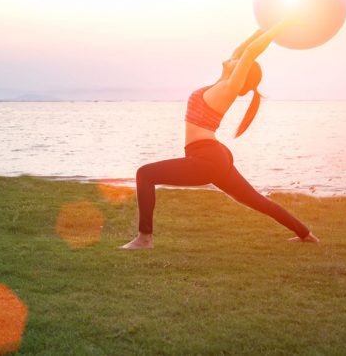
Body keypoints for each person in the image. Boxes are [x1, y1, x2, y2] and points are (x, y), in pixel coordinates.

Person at [121, 20, 319, 249]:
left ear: (241, 73)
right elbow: (243, 48)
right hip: (213, 157)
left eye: (239, 62)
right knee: (257, 201)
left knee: (144, 174)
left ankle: (144, 239)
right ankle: (305, 234)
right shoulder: (222, 81)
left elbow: (250, 52)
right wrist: (266, 23)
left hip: (207, 159)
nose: (234, 58)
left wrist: (282, 25)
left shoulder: (229, 88)